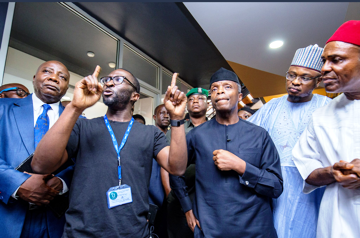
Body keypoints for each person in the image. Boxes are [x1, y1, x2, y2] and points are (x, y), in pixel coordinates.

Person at [31, 67, 187, 237]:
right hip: (81, 232)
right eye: (107, 80)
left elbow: (177, 168)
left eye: (119, 79)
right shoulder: (83, 126)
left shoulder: (151, 133)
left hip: (134, 233)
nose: (110, 82)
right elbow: (41, 165)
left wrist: (177, 119)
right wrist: (75, 107)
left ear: (135, 96)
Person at [175, 67, 283, 237]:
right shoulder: (197, 135)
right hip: (211, 228)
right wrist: (187, 208)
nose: (220, 92)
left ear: (240, 96)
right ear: (211, 97)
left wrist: (241, 166)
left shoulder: (259, 135)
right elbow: (176, 171)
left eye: (227, 87)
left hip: (256, 229)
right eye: (215, 89)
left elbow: (275, 187)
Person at [248, 44, 331, 238]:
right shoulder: (272, 106)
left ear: (318, 81)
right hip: (274, 184)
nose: (295, 81)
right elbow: (247, 135)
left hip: (311, 187)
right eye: (291, 75)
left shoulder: (327, 107)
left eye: (305, 77)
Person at [292, 20, 360, 238]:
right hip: (334, 220)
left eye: (336, 60)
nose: (324, 69)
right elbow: (307, 169)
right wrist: (332, 172)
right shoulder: (321, 115)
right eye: (324, 61)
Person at [0, 61, 74, 238]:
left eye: (62, 77)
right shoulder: (3, 108)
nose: (54, 78)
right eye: (47, 71)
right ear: (34, 78)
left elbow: (82, 163)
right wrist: (18, 183)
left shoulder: (77, 121)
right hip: (7, 214)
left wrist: (62, 183)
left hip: (56, 219)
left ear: (65, 88)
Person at [166, 87, 208, 238]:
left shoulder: (214, 129)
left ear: (208, 104)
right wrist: (169, 193)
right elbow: (166, 166)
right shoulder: (175, 130)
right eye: (191, 99)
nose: (195, 102)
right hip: (180, 193)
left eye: (200, 99)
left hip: (206, 194)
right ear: (186, 104)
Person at [149, 104, 170, 238]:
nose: (166, 115)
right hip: (150, 198)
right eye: (162, 113)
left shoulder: (172, 138)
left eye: (168, 113)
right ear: (154, 117)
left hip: (166, 199)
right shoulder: (148, 136)